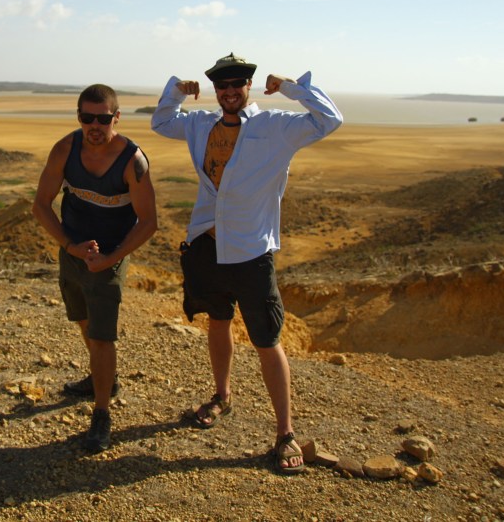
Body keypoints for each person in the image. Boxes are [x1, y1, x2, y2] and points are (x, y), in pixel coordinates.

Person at [150, 53, 342, 474]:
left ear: (248, 86)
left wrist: (289, 86)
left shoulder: (275, 126)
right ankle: (222, 396)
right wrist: (176, 92)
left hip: (252, 252)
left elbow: (330, 119)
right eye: (222, 86)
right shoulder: (201, 125)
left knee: (267, 340)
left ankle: (285, 433)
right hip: (207, 245)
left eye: (237, 84)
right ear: (216, 90)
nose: (229, 92)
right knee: (218, 321)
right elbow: (161, 123)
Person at [32, 83, 158, 453]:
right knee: (84, 322)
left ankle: (101, 413)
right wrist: (70, 245)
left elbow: (149, 222)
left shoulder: (133, 160)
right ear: (79, 117)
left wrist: (111, 258)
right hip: (72, 252)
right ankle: (102, 378)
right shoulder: (64, 149)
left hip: (109, 258)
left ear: (117, 117)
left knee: (102, 336)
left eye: (103, 119)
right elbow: (40, 204)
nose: (95, 126)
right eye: (87, 118)